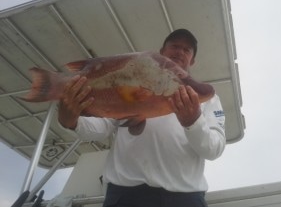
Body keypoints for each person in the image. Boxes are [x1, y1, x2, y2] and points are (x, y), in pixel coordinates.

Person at [58, 29, 226, 207]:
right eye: (175, 46)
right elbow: (102, 126)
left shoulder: (209, 100)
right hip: (125, 196)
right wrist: (71, 121)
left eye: (187, 50)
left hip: (185, 197)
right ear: (162, 51)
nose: (180, 51)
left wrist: (193, 122)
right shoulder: (132, 80)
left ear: (192, 60)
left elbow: (214, 149)